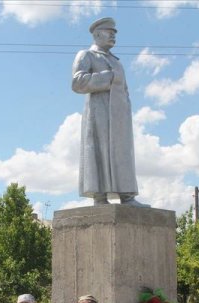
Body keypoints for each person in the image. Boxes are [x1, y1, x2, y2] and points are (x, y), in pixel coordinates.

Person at [72, 17, 146, 207]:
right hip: (100, 114)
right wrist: (107, 78)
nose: (113, 35)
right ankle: (99, 197)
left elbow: (125, 90)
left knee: (123, 153)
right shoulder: (87, 55)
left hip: (120, 116)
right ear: (97, 34)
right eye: (109, 32)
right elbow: (78, 82)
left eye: (114, 33)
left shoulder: (116, 61)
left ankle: (127, 196)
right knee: (99, 152)